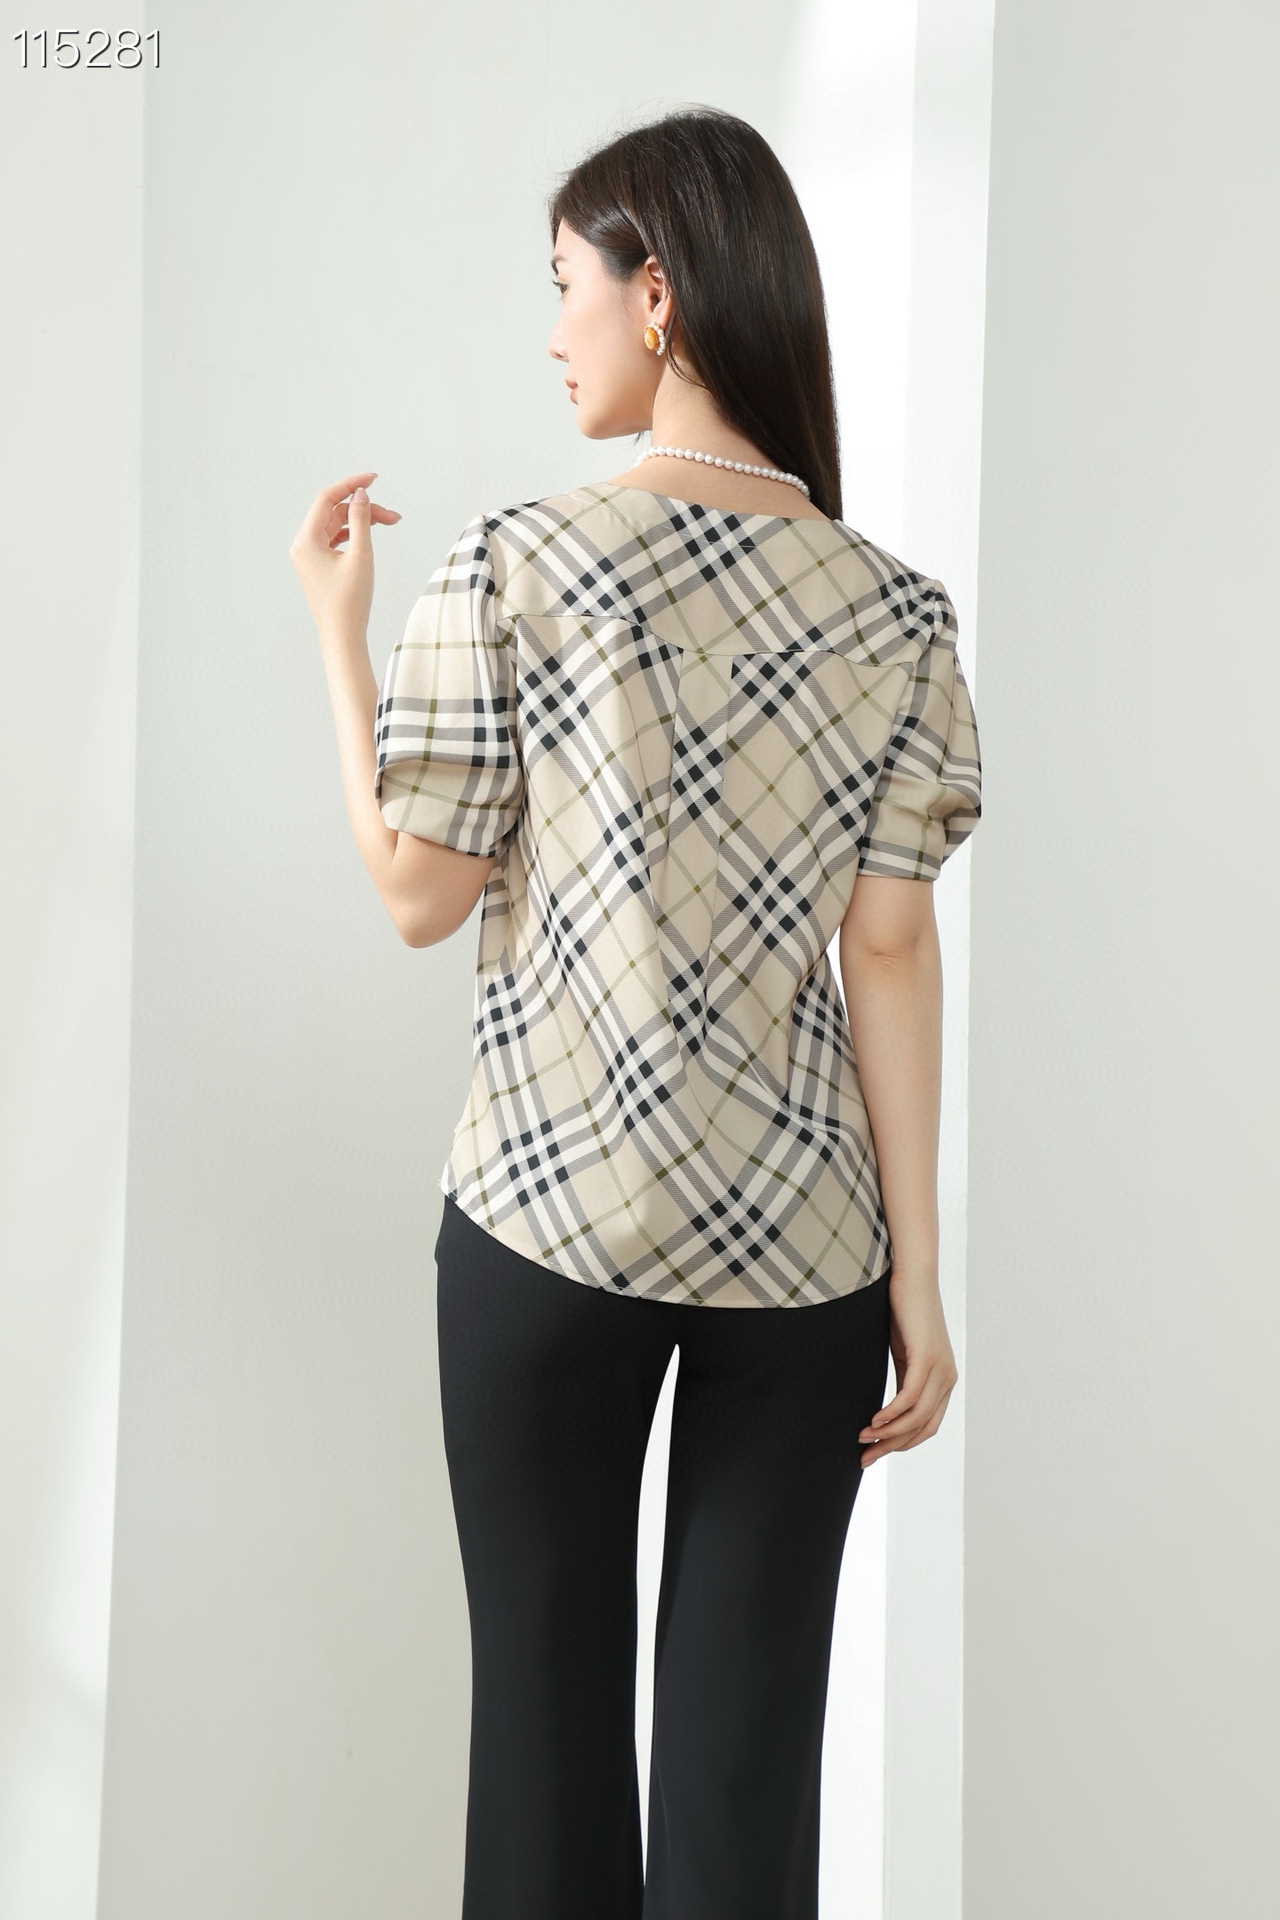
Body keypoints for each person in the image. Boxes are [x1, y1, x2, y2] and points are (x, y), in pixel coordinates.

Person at [290, 104, 981, 1920]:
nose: (552, 332)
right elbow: (889, 953)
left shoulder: (517, 563)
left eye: (564, 287)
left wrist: (338, 640)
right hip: (808, 1256)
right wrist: (917, 1274)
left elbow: (419, 894)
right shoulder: (898, 614)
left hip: (547, 1220)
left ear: (655, 294)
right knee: (746, 1783)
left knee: (543, 1744)